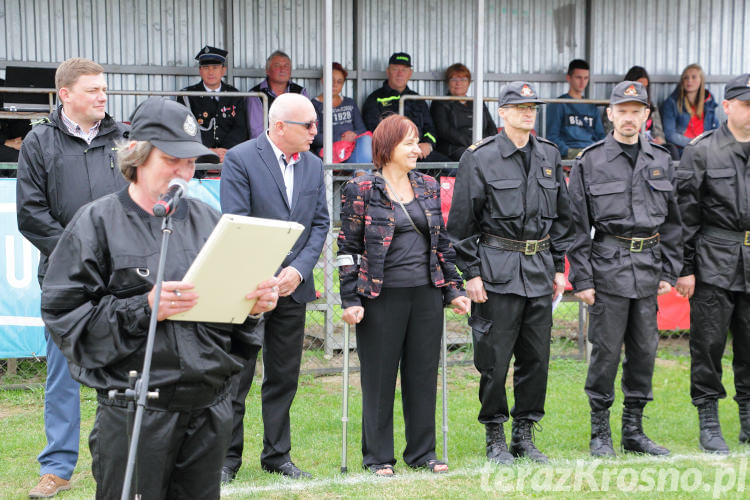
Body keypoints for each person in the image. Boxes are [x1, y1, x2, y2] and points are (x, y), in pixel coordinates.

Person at [39, 96, 280, 499]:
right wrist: (145, 308)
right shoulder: (96, 223)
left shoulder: (210, 221)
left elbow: (228, 320)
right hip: (136, 411)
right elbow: (65, 315)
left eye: (190, 162)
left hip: (207, 408)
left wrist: (252, 307)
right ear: (138, 155)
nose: (184, 172)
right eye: (173, 160)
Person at [15, 57, 129, 499]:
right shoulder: (38, 142)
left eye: (105, 89)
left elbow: (136, 202)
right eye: (94, 90)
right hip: (66, 279)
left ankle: (122, 458)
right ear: (65, 95)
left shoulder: (123, 139)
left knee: (123, 369)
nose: (103, 96)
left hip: (120, 277)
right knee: (62, 374)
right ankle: (58, 468)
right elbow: (31, 213)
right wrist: (80, 254)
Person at [337, 114, 471, 476]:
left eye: (416, 143)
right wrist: (350, 299)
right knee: (379, 379)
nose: (417, 149)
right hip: (381, 297)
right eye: (409, 143)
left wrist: (453, 289)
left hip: (426, 294)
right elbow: (347, 247)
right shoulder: (361, 188)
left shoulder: (427, 185)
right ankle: (378, 457)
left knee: (422, 375)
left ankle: (423, 452)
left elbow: (441, 243)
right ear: (387, 147)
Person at [447, 82, 573, 465]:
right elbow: (461, 224)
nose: (527, 112)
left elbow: (562, 218)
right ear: (501, 112)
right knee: (494, 359)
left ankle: (524, 434)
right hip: (496, 270)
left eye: (532, 106)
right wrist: (470, 272)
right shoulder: (480, 157)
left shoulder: (549, 154)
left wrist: (556, 267)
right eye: (519, 106)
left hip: (537, 269)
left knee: (536, 359)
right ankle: (495, 436)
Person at [567, 81, 682, 458]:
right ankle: (600, 433)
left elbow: (674, 223)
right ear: (611, 114)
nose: (630, 117)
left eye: (637, 110)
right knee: (605, 352)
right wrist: (581, 279)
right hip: (607, 267)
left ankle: (634, 430)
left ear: (647, 116)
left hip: (648, 269)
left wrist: (670, 270)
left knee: (644, 351)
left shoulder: (662, 160)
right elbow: (576, 226)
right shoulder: (591, 161)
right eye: (623, 110)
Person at [220, 93, 329, 481]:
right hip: (250, 289)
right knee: (238, 376)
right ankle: (227, 459)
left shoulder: (314, 166)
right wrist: (269, 273)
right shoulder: (241, 158)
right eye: (309, 125)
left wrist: (298, 271)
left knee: (284, 375)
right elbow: (237, 220)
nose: (316, 132)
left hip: (292, 289)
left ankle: (277, 455)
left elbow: (320, 223)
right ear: (279, 126)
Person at [675, 73, 750, 454]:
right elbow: (684, 216)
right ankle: (709, 417)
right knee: (708, 344)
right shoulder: (701, 151)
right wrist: (685, 268)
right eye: (748, 105)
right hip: (714, 259)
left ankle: (749, 418)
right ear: (728, 106)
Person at [361, 52, 450, 165]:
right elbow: (375, 131)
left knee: (453, 171)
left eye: (404, 70)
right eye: (395, 69)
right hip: (391, 155)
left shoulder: (417, 99)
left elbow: (430, 129)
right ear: (388, 71)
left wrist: (428, 144)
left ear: (410, 73)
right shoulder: (375, 99)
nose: (400, 74)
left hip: (419, 153)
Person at [179, 45, 248, 166]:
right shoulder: (187, 95)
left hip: (229, 159)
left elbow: (240, 129)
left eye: (215, 67)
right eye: (206, 67)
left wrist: (224, 152)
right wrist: (208, 151)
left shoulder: (235, 95)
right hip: (198, 160)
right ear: (200, 70)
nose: (210, 72)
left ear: (223, 70)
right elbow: (184, 130)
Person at [429, 63, 497, 161]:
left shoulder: (477, 102)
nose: (458, 83)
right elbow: (444, 130)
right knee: (474, 158)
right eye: (454, 79)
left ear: (469, 82)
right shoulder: (440, 102)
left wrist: (485, 143)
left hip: (481, 146)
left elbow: (491, 127)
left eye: (463, 79)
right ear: (448, 82)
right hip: (454, 149)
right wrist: (474, 143)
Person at [311, 62, 372, 164]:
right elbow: (314, 137)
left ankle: (360, 174)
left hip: (352, 149)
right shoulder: (314, 105)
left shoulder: (349, 102)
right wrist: (340, 137)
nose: (334, 85)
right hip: (330, 153)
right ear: (323, 80)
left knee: (366, 139)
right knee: (362, 161)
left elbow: (362, 130)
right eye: (331, 80)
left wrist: (353, 134)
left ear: (343, 84)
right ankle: (361, 176)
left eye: (339, 82)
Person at [545, 59, 606, 159]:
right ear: (568, 78)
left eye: (586, 78)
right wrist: (570, 152)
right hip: (568, 157)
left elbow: (600, 136)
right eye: (578, 77)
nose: (582, 82)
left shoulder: (591, 106)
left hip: (591, 156)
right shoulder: (558, 104)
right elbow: (552, 137)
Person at [661, 63, 719, 159]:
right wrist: (695, 143)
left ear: (701, 80)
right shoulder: (671, 103)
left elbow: (716, 130)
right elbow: (670, 134)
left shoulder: (709, 102)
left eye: (694, 77)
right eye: (686, 78)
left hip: (705, 150)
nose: (689, 81)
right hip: (682, 150)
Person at [247, 50, 309, 139]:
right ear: (267, 70)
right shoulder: (256, 95)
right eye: (277, 65)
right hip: (267, 147)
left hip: (295, 144)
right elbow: (257, 132)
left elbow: (306, 124)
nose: (282, 69)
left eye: (286, 66)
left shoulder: (300, 92)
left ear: (290, 71)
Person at [601, 66, 665, 145]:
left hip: (649, 145)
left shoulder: (652, 106)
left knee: (671, 149)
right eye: (640, 87)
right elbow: (609, 132)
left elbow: (659, 133)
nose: (643, 90)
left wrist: (659, 139)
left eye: (645, 87)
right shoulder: (615, 105)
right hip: (626, 144)